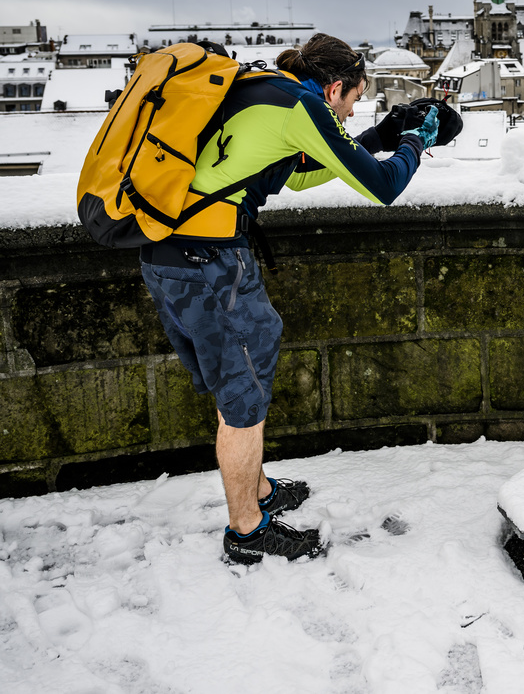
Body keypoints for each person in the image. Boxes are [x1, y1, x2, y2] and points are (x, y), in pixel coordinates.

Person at [138, 33, 461, 564]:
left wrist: (378, 135)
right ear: (334, 88)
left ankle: (258, 491)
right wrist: (415, 141)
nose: (353, 109)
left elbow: (298, 173)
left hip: (176, 254)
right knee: (241, 397)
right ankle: (246, 531)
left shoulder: (270, 89)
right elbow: (381, 187)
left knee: (252, 357)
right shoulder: (301, 104)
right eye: (355, 100)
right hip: (207, 263)